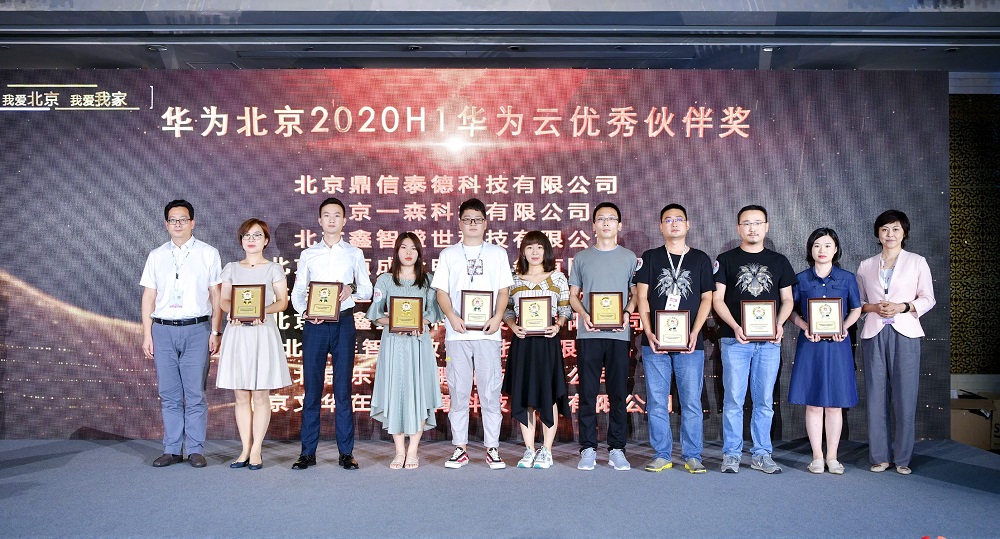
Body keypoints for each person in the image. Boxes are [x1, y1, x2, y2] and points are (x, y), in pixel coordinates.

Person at [290, 197, 373, 470]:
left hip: (344, 324)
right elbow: (298, 291)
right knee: (312, 389)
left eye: (337, 215)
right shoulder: (308, 254)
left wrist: (351, 289)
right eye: (327, 215)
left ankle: (346, 453)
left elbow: (367, 290)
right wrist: (305, 312)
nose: (332, 219)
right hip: (315, 325)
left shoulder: (354, 253)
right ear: (319, 220)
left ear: (344, 220)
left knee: (343, 390)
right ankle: (307, 453)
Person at [712, 204, 796, 474]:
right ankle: (732, 454)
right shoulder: (725, 259)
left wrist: (779, 323)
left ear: (766, 227)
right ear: (739, 228)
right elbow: (717, 299)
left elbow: (788, 300)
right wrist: (736, 326)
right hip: (734, 340)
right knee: (733, 400)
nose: (752, 228)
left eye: (757, 223)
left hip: (769, 343)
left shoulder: (779, 261)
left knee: (764, 401)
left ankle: (762, 454)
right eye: (747, 223)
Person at [140, 199, 222, 468]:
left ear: (192, 222)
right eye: (173, 220)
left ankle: (196, 449)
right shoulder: (156, 255)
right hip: (163, 330)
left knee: (195, 393)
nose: (178, 224)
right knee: (169, 394)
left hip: (197, 329)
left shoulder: (208, 253)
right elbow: (149, 296)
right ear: (166, 224)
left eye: (183, 219)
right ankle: (172, 449)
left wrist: (215, 331)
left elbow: (216, 294)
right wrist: (147, 334)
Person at [431, 198, 513, 469]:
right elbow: (441, 292)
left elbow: (504, 291)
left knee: (490, 392)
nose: (472, 224)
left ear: (485, 223)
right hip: (458, 334)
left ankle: (492, 448)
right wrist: (451, 317)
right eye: (467, 219)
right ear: (460, 223)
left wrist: (498, 317)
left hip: (488, 334)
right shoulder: (449, 254)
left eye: (477, 219)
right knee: (458, 392)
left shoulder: (497, 254)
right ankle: (460, 448)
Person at [634, 204, 713, 473]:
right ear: (661, 226)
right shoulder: (651, 257)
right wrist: (648, 331)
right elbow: (642, 297)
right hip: (655, 342)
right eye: (668, 220)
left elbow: (707, 298)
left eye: (679, 219)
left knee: (691, 402)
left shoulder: (700, 259)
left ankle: (693, 455)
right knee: (657, 402)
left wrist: (695, 331)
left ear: (688, 225)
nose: (674, 223)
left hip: (690, 342)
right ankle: (662, 454)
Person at [856, 210, 935, 475]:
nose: (890, 234)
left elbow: (928, 298)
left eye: (896, 229)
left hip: (906, 333)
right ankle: (879, 457)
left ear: (904, 233)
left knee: (905, 397)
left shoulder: (917, 262)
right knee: (875, 397)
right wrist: (874, 307)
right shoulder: (866, 265)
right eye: (885, 229)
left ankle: (902, 458)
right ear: (877, 233)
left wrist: (903, 306)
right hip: (874, 333)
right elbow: (858, 303)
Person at [217, 218, 291, 470]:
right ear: (241, 240)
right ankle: (244, 449)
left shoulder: (273, 269)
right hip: (238, 333)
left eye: (257, 235)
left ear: (266, 240)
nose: (251, 240)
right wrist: (234, 311)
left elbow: (282, 302)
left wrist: (262, 311)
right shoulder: (231, 268)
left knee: (260, 394)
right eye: (247, 235)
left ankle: (257, 448)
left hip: (262, 332)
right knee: (240, 394)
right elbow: (224, 300)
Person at [787, 228, 862, 475]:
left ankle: (833, 457)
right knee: (813, 403)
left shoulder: (847, 278)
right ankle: (817, 457)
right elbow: (790, 310)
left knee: (835, 404)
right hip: (811, 345)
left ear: (836, 249)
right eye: (817, 245)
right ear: (810, 249)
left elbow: (856, 308)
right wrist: (805, 326)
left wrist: (845, 327)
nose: (822, 250)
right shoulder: (801, 279)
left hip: (838, 346)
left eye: (828, 245)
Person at [568, 202, 638, 471]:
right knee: (587, 392)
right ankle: (587, 448)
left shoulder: (630, 258)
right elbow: (573, 296)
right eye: (601, 219)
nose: (606, 223)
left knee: (618, 393)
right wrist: (585, 315)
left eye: (611, 219)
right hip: (589, 334)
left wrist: (626, 313)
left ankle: (617, 448)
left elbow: (635, 294)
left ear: (620, 225)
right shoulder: (581, 258)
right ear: (593, 225)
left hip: (619, 335)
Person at [366, 232, 443, 469]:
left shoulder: (428, 280)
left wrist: (420, 322)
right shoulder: (385, 280)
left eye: (413, 248)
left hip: (418, 345)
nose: (408, 253)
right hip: (394, 344)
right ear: (396, 251)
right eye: (403, 247)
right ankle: (399, 451)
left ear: (419, 253)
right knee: (395, 393)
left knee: (418, 394)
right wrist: (395, 322)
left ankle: (413, 451)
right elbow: (376, 314)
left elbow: (433, 313)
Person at [502, 231, 572, 469]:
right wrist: (513, 326)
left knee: (547, 394)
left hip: (547, 342)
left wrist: (558, 325)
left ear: (546, 251)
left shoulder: (557, 278)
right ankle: (529, 449)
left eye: (539, 247)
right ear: (523, 251)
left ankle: (547, 450)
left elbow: (565, 309)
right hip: (523, 343)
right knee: (525, 396)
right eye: (530, 247)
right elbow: (507, 309)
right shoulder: (513, 278)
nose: (534, 252)